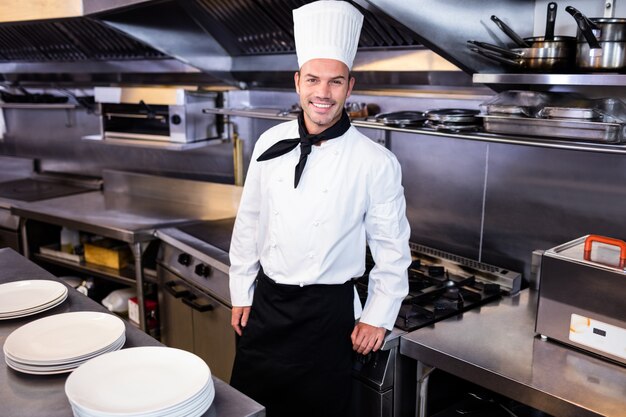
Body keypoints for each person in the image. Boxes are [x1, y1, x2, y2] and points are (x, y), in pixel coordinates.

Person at [228, 1, 411, 416]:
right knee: (248, 410)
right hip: (267, 307)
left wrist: (379, 316)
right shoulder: (267, 142)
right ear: (298, 82)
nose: (322, 93)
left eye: (334, 82)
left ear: (350, 86)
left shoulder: (375, 162)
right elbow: (249, 222)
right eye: (313, 79)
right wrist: (242, 289)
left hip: (328, 318)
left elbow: (392, 249)